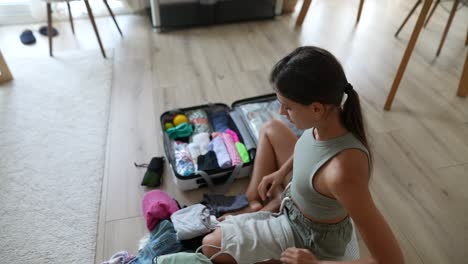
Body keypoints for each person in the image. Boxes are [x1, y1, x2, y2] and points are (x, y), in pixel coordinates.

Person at [200, 46, 404, 264]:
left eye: (287, 107)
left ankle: (267, 211)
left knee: (209, 245)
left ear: (316, 108)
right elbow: (309, 150)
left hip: (308, 238)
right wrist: (281, 172)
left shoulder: (342, 173)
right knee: (271, 128)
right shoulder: (328, 121)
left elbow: (391, 260)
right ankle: (265, 203)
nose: (281, 112)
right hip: (297, 201)